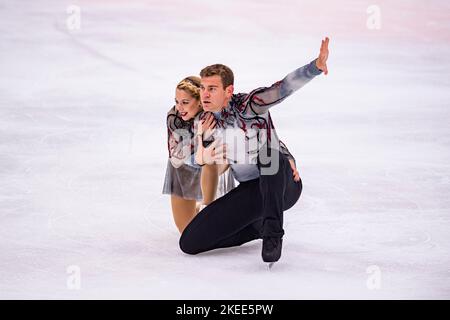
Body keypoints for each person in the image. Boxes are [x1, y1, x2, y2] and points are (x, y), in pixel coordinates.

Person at [179, 37, 330, 263]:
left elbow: (282, 88)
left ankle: (273, 236)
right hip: (253, 189)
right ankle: (257, 229)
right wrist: (202, 143)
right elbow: (196, 163)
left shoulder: (250, 105)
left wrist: (315, 67)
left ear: (228, 90)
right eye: (202, 88)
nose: (205, 94)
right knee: (189, 243)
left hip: (284, 186)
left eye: (212, 88)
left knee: (270, 155)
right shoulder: (206, 123)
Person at [162, 76, 235, 233]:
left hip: (212, 167)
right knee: (187, 232)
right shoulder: (173, 117)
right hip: (184, 168)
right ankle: (197, 209)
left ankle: (208, 207)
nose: (179, 107)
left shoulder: (216, 114)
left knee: (210, 157)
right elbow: (176, 157)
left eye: (185, 102)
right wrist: (199, 134)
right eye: (176, 101)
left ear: (200, 101)